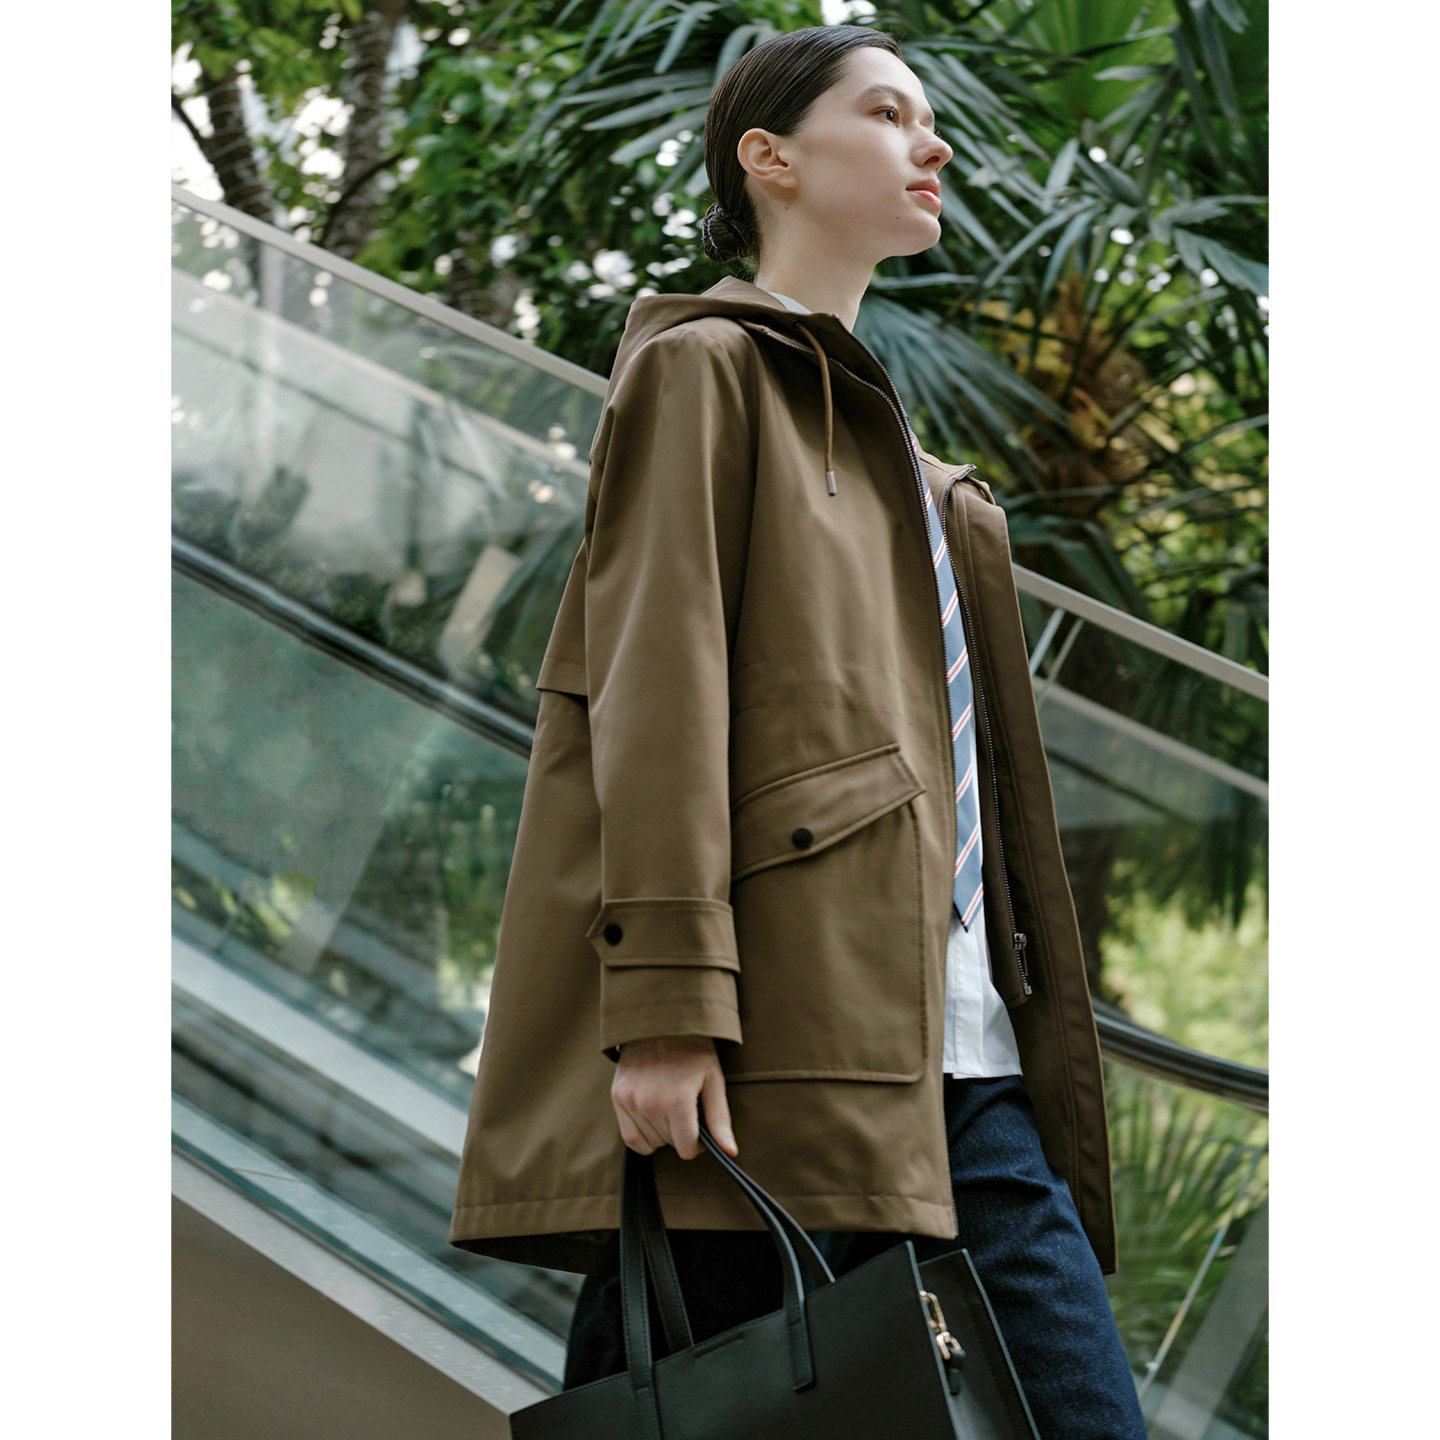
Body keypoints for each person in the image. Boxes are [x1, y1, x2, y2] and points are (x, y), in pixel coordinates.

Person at [449, 23, 1148, 1439]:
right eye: (886, 114)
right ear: (769, 157)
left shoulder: (921, 475)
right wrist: (665, 1010)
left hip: (966, 1063)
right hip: (774, 1052)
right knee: (704, 1400)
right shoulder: (704, 371)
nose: (930, 144)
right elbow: (654, 695)